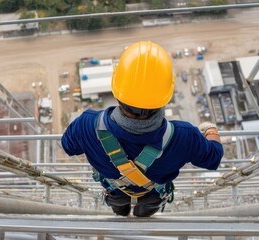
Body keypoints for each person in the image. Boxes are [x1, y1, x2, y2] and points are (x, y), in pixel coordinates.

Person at [62, 41, 223, 217]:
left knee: (119, 210)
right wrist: (210, 130)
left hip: (114, 192)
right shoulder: (185, 136)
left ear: (116, 86)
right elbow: (213, 158)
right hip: (153, 195)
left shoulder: (86, 124)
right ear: (166, 93)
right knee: (145, 214)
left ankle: (121, 214)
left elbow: (68, 146)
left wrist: (95, 148)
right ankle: (142, 217)